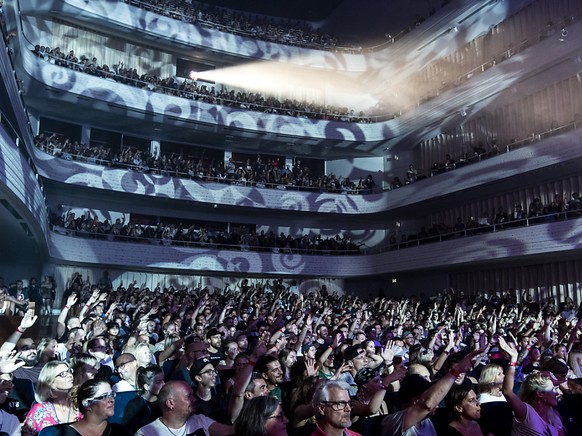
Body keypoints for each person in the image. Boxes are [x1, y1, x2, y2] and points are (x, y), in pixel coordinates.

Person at [381, 348, 484, 436]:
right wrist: (456, 371)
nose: (437, 404)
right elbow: (426, 404)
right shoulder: (395, 422)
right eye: (431, 397)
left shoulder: (427, 422)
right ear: (416, 401)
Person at [498, 337, 565, 436]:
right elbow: (508, 392)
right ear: (540, 394)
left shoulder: (554, 416)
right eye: (552, 389)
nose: (557, 393)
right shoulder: (526, 413)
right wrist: (513, 360)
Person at [134, 380, 233, 435]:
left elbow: (229, 431)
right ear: (170, 403)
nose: (194, 399)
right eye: (188, 396)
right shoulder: (147, 433)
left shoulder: (199, 420)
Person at [22, 361, 81, 435]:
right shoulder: (39, 411)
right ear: (51, 383)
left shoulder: (80, 404)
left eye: (69, 371)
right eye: (63, 374)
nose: (69, 375)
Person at [53, 379, 124, 435]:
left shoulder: (119, 431)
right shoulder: (66, 433)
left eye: (111, 395)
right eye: (104, 396)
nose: (111, 400)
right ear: (87, 404)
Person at [122, 365, 164, 434]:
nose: (164, 384)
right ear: (146, 387)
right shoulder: (134, 406)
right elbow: (127, 430)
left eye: (163, 380)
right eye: (158, 382)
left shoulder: (164, 400)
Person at [476, 363, 512, 436]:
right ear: (490, 378)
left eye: (503, 373)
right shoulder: (483, 399)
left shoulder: (504, 395)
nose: (504, 376)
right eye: (499, 374)